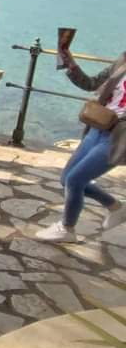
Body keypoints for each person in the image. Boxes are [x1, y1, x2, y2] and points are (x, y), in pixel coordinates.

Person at [35, 47, 126, 242]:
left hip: (119, 139)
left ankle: (67, 228)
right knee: (66, 179)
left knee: (75, 180)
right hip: (97, 127)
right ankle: (115, 206)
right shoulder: (123, 60)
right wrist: (68, 61)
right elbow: (91, 83)